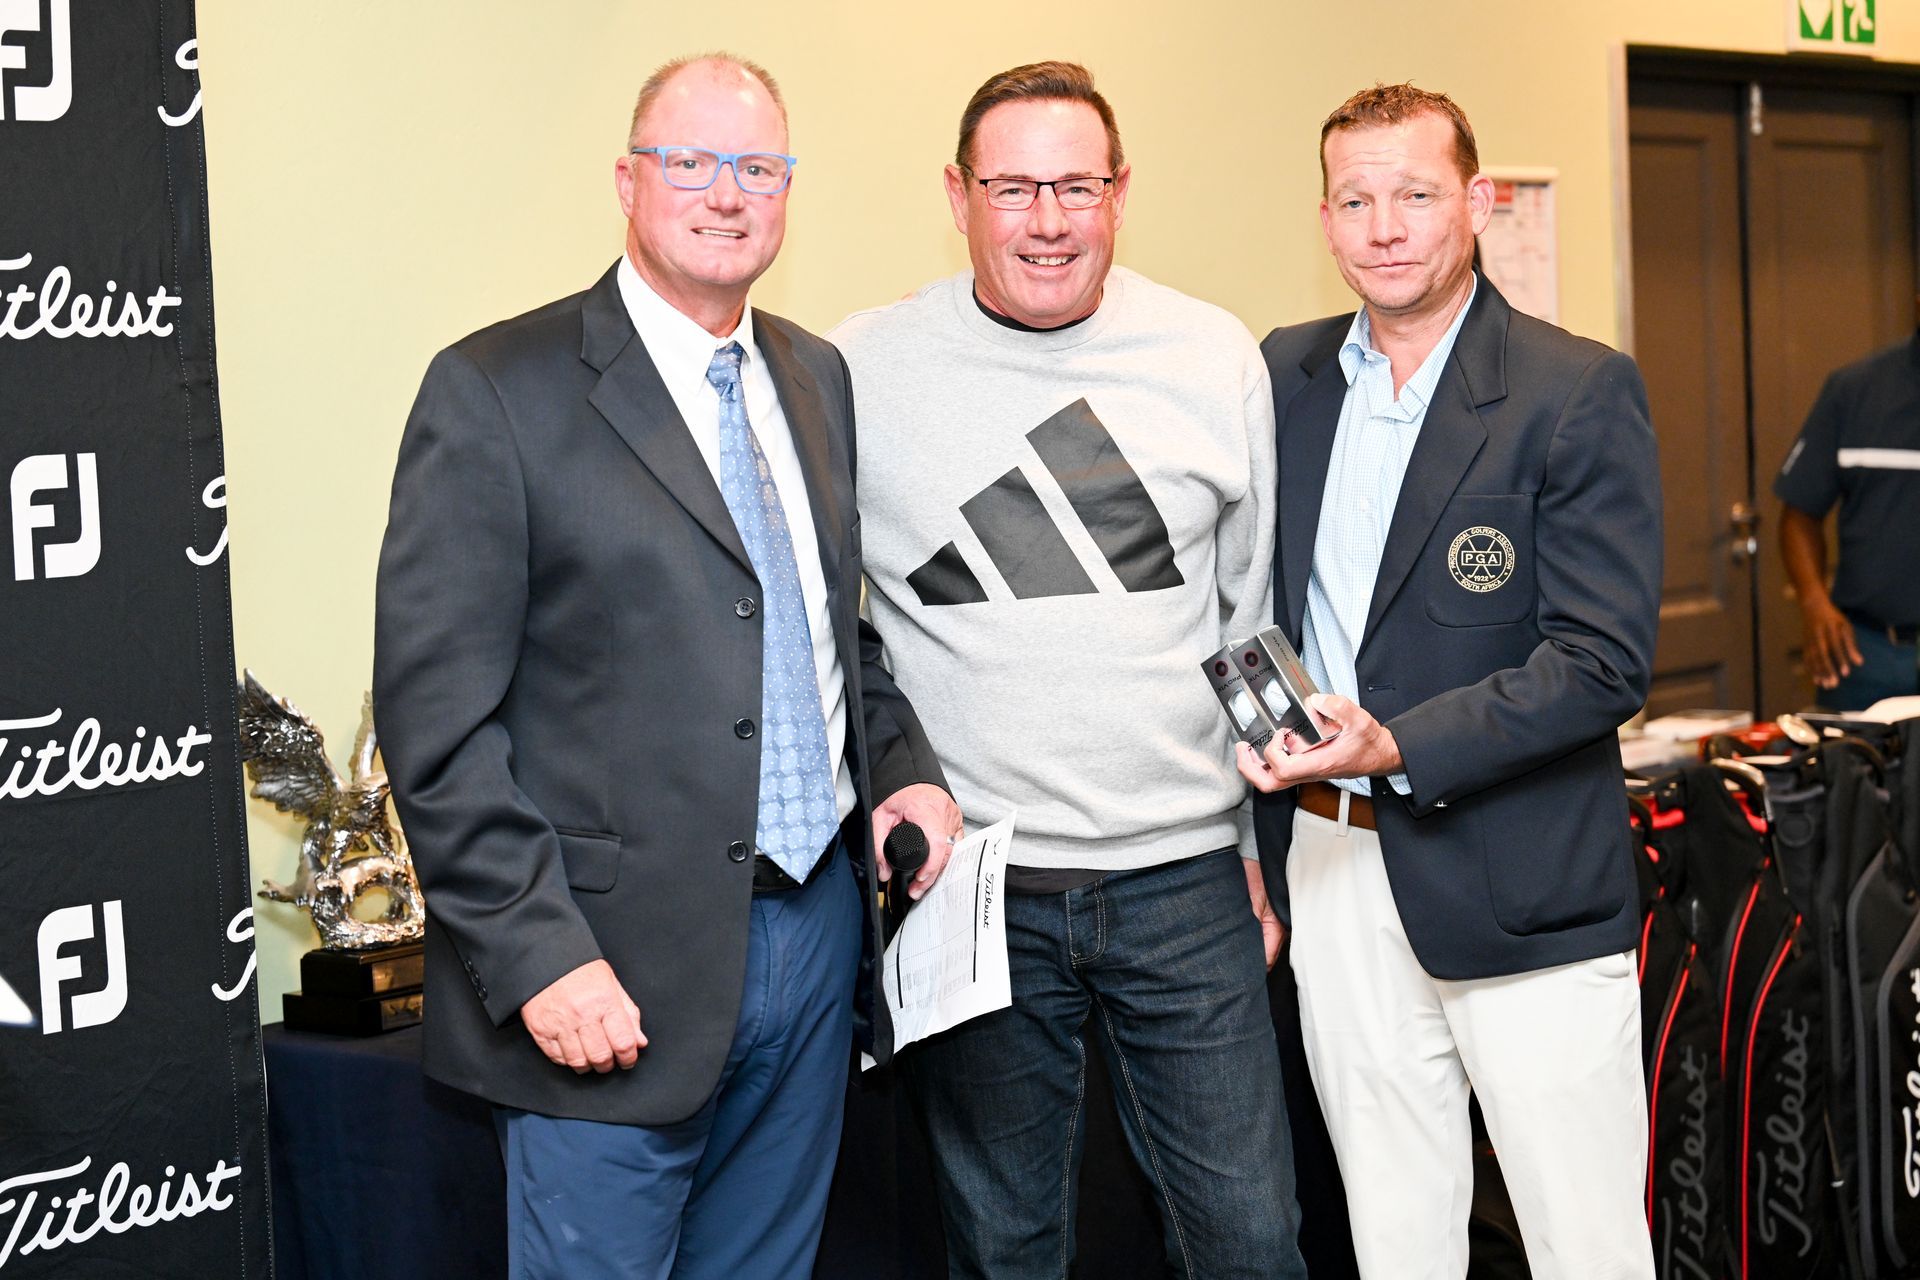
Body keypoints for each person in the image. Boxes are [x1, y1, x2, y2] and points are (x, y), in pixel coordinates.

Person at [372, 54, 958, 1280]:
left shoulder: (815, 376)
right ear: (627, 180)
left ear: (787, 189)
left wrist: (903, 766)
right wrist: (540, 956)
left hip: (814, 934)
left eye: (758, 167)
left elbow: (824, 627)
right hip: (606, 965)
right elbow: (438, 729)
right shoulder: (495, 391)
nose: (726, 193)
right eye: (690, 161)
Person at [831, 60, 1306, 1280]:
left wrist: (1256, 855)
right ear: (958, 195)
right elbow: (831, 627)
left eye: (1077, 186)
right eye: (1013, 188)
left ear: (1120, 192)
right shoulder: (859, 371)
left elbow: (1247, 624)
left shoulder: (1210, 355)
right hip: (977, 890)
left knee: (1252, 1244)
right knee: (1005, 1249)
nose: (1047, 220)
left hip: (1185, 882)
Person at [1246, 83, 1661, 1277]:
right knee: (1394, 1239)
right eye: (1355, 200)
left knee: (1584, 1243)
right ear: (1323, 217)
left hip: (1522, 875)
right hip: (1331, 862)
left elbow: (1600, 660)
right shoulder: (1283, 377)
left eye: (1417, 195)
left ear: (1476, 202)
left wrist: (1399, 742)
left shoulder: (1573, 388)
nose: (1385, 228)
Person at [1775, 312, 1920, 710]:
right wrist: (1813, 601)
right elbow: (1799, 514)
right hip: (1866, 653)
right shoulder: (1855, 390)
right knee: (1848, 751)